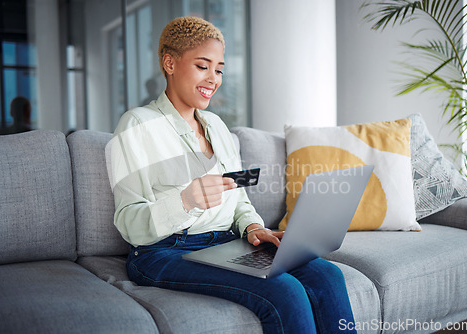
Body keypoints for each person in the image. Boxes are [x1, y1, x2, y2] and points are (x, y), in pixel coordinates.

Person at [108, 16, 357, 334]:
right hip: (163, 252)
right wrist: (184, 201)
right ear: (169, 63)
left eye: (219, 69)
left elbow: (238, 196)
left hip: (227, 243)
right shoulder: (137, 124)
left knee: (327, 275)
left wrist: (253, 226)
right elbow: (129, 223)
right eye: (202, 66)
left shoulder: (219, 129)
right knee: (284, 289)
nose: (214, 78)